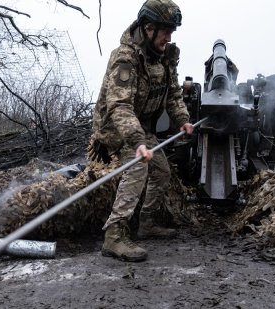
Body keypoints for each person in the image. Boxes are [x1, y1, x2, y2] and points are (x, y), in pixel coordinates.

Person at [88, 0, 193, 262]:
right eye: (165, 31)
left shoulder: (166, 57)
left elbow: (173, 95)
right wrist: (136, 141)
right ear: (148, 28)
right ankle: (114, 236)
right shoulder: (125, 58)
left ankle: (146, 222)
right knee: (137, 166)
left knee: (162, 170)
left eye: (172, 32)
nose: (169, 38)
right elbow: (120, 105)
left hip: (142, 128)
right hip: (118, 128)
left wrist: (182, 119)